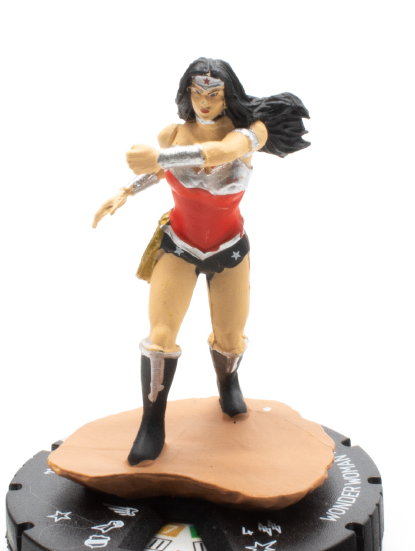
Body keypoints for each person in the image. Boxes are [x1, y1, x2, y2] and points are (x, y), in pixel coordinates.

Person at [92, 58, 310, 465]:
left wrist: (160, 158)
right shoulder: (171, 134)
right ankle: (151, 424)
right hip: (180, 245)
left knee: (231, 336)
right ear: (185, 93)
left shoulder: (250, 133)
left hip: (230, 249)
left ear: (229, 96)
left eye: (213, 94)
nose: (204, 102)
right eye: (196, 92)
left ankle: (228, 383)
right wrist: (126, 190)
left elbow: (219, 153)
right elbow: (161, 173)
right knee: (160, 335)